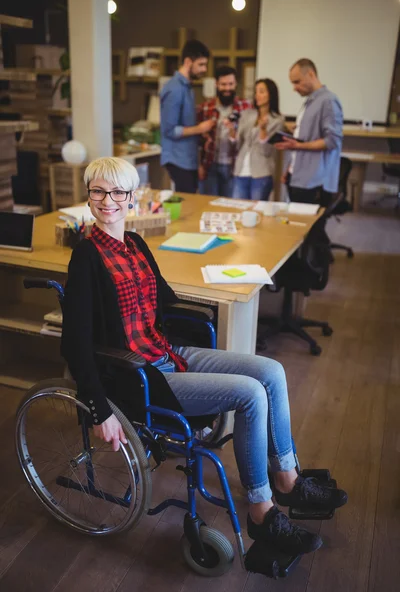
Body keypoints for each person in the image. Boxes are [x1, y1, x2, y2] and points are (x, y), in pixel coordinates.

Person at [61, 157, 347, 564]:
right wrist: (99, 406)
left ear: (133, 198)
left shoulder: (136, 244)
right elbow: (75, 342)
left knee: (271, 370)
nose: (108, 200)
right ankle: (262, 512)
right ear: (88, 196)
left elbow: (163, 298)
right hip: (135, 374)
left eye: (118, 192)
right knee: (250, 395)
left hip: (166, 353)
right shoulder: (86, 257)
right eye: (98, 191)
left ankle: (288, 477)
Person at [275, 58, 343, 205]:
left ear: (311, 74)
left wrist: (297, 146)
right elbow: (303, 138)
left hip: (314, 182)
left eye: (297, 82)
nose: (294, 88)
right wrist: (289, 169)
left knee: (311, 227)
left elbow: (332, 141)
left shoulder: (328, 101)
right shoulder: (309, 102)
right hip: (298, 176)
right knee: (297, 224)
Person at [160, 40, 215, 193]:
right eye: (201, 64)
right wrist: (199, 128)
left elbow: (185, 124)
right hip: (177, 159)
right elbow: (170, 130)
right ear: (188, 62)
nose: (204, 69)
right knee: (186, 205)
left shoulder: (188, 87)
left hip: (188, 158)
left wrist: (201, 132)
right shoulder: (175, 89)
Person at [197, 65, 252, 197]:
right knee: (207, 205)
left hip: (234, 167)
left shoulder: (245, 107)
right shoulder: (205, 108)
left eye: (230, 84)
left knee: (229, 207)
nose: (227, 88)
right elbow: (197, 141)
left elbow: (249, 139)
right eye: (223, 84)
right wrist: (199, 165)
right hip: (209, 165)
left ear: (236, 84)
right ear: (216, 84)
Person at [230, 78, 284, 201]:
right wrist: (232, 131)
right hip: (241, 170)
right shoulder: (248, 114)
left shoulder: (277, 120)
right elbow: (238, 143)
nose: (257, 95)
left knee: (256, 213)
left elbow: (267, 151)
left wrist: (263, 130)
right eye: (256, 92)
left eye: (261, 91)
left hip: (261, 172)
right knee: (237, 210)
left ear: (271, 94)